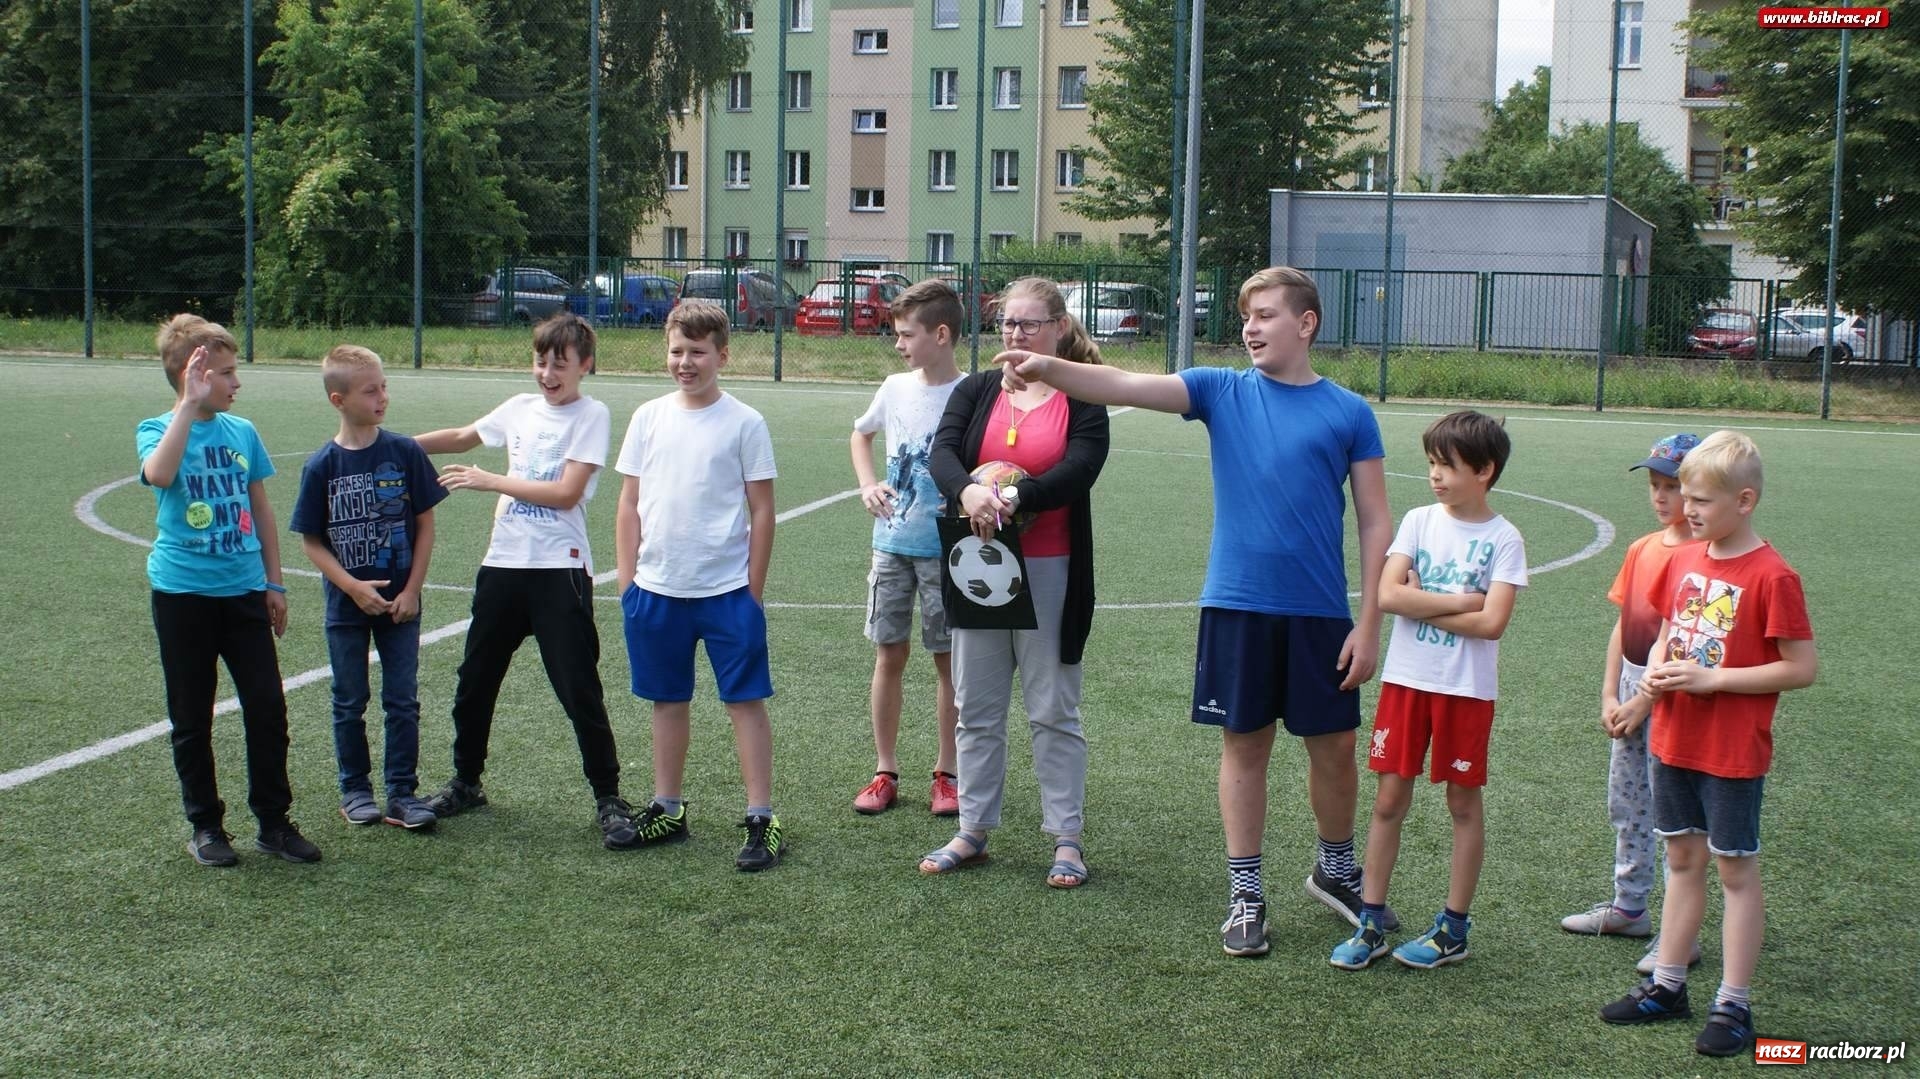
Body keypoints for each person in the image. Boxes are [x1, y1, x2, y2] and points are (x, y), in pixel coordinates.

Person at [998, 266, 1391, 951]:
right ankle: (1246, 893)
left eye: (1266, 314)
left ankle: (1335, 870)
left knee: (1334, 751)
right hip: (1237, 604)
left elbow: (1375, 524)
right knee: (1245, 747)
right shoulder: (1221, 389)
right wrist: (1048, 366)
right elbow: (1122, 384)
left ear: (1307, 323)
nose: (1251, 326)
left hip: (1321, 614)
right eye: (1246, 315)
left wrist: (1370, 621)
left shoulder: (1350, 411)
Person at [1600, 430, 1816, 1058]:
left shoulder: (1774, 575)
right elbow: (1670, 627)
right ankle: (1668, 986)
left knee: (1736, 872)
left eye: (1701, 499)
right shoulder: (1684, 559)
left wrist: (1712, 678)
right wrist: (1659, 677)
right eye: (1683, 496)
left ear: (1744, 500)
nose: (1686, 509)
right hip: (1673, 739)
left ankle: (1734, 1004)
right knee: (1682, 863)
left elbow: (1801, 667)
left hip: (1731, 751)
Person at [412, 312, 642, 850]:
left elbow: (566, 493)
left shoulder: (593, 414)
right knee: (474, 682)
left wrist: (492, 481)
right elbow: (466, 437)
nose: (547, 373)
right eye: (540, 362)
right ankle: (466, 782)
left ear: (585, 365)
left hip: (558, 571)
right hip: (503, 567)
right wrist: (395, 444)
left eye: (560, 363)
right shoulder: (518, 409)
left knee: (578, 687)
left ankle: (608, 797)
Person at [920, 276, 1109, 888]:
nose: (1015, 334)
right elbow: (942, 453)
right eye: (1007, 323)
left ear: (1057, 327)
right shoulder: (976, 390)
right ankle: (972, 828)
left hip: (1051, 567)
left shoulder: (1080, 394)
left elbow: (1081, 469)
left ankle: (1067, 839)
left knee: (1052, 707)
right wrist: (971, 490)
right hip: (977, 567)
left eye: (1029, 323)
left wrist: (1016, 496)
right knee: (976, 706)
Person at [1328, 410, 1527, 971]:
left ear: (1484, 471)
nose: (1435, 475)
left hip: (1466, 690)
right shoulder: (1417, 521)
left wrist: (1429, 603)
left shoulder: (1504, 539)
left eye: (1448, 465)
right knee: (1389, 800)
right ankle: (1371, 921)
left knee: (1463, 804)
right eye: (1432, 463)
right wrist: (1464, 600)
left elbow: (1493, 625)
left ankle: (1453, 929)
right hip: (1406, 683)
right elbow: (1388, 597)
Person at [137, 315, 320, 867]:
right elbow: (161, 474)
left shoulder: (243, 433)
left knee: (266, 707)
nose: (236, 383)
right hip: (182, 596)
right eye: (226, 373)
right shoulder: (157, 428)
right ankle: (207, 826)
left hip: (242, 593)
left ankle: (273, 821)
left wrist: (274, 582)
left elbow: (260, 509)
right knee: (191, 714)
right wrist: (188, 407)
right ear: (192, 376)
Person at [612, 300, 784, 872]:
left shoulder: (744, 422)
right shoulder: (648, 417)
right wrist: (628, 581)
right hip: (657, 590)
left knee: (744, 702)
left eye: (698, 352)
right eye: (676, 351)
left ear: (723, 355)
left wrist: (752, 592)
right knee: (667, 701)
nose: (685, 362)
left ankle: (761, 814)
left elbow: (762, 511)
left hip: (727, 591)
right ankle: (668, 807)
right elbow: (630, 501)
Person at [1560, 433, 1705, 975]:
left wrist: (1644, 701)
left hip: (1675, 696)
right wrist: (1609, 693)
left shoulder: (1703, 556)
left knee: (1672, 814)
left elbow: (1683, 639)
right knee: (1628, 801)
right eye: (1656, 485)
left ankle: (1678, 934)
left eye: (1675, 486)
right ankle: (1629, 907)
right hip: (1632, 687)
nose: (1663, 497)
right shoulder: (1643, 549)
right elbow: (1624, 626)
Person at [288, 345, 448, 831]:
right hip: (347, 609)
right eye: (370, 390)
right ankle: (355, 789)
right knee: (349, 699)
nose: (383, 396)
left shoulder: (404, 452)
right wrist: (352, 587)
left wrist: (413, 590)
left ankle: (403, 792)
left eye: (384, 386)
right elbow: (312, 543)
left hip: (401, 606)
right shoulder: (322, 466)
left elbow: (425, 525)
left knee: (402, 699)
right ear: (339, 399)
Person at [848, 280, 966, 816]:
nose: (898, 344)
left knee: (948, 661)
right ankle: (884, 770)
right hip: (891, 544)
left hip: (947, 549)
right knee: (888, 654)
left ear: (940, 335)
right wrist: (867, 483)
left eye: (905, 334)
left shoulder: (971, 392)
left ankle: (948, 773)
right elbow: (861, 433)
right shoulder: (894, 387)